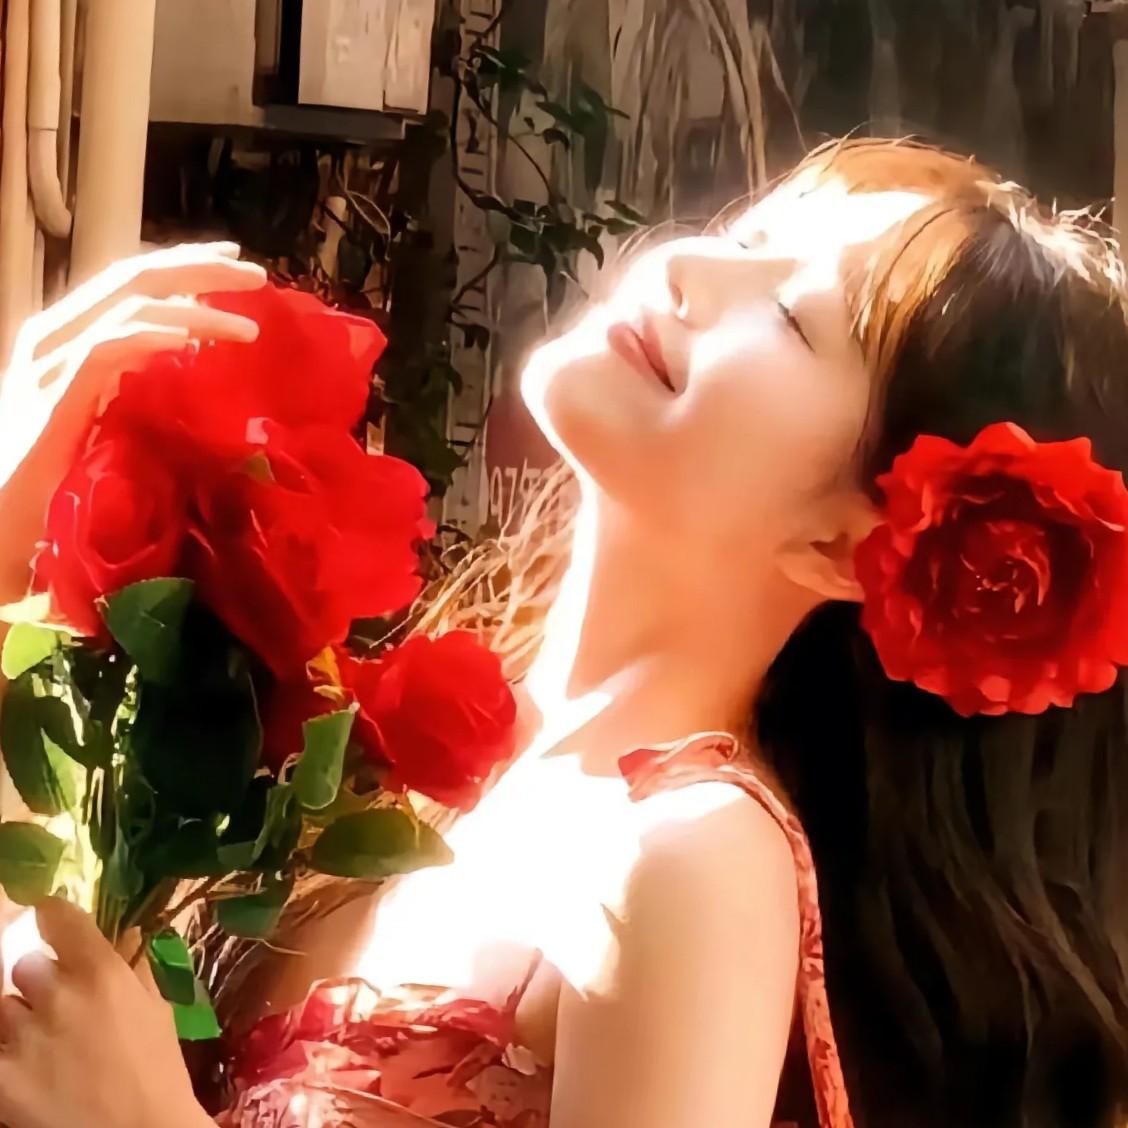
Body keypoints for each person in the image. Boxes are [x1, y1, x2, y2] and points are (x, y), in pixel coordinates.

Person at [0, 138, 1126, 1128]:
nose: (690, 265)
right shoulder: (406, 765)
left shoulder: (690, 858)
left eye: (793, 316)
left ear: (849, 547)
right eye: (748, 235)